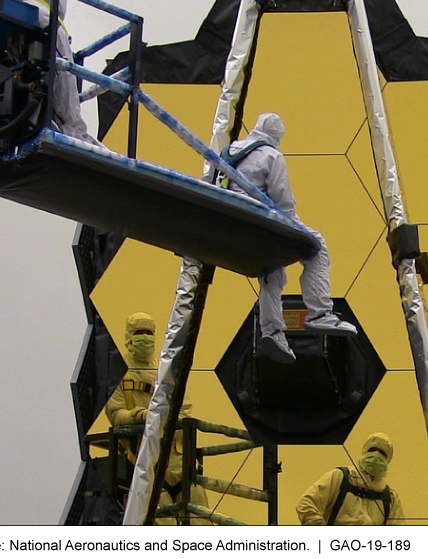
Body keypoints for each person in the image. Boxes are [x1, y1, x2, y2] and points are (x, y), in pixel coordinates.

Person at [222, 112, 357, 364]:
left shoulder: (228, 152)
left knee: (272, 271)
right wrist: (294, 233)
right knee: (316, 246)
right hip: (256, 223)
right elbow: (283, 203)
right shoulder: (271, 156)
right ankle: (319, 312)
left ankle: (272, 331)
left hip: (228, 225)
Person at [0, 0, 106, 148]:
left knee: (22, 80)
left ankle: (30, 127)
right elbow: (59, 5)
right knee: (64, 80)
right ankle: (74, 133)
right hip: (43, 22)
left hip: (11, 38)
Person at [105, 311, 211, 525]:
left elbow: (185, 412)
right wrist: (142, 416)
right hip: (145, 461)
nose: (145, 337)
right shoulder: (118, 372)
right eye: (139, 332)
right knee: (163, 524)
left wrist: (167, 423)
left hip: (178, 461)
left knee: (202, 519)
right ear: (129, 337)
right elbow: (116, 416)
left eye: (149, 332)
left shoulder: (166, 370)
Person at [296, 432, 405, 525]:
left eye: (382, 453)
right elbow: (306, 504)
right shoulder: (340, 477)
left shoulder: (390, 498)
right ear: (365, 452)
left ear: (387, 460)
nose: (376, 455)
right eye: (372, 450)